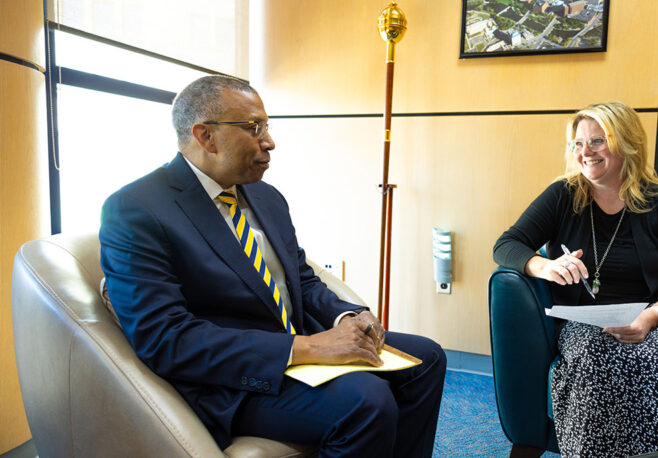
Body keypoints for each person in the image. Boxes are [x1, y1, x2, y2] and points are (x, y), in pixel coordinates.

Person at [99, 75, 446, 456]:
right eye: (253, 128)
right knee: (366, 401)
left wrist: (346, 317)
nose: (269, 141)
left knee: (426, 359)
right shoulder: (137, 208)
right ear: (205, 136)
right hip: (232, 379)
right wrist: (306, 348)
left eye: (266, 126)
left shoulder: (266, 196)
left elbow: (301, 279)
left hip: (298, 346)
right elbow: (166, 338)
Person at [493, 101, 658, 458]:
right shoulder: (563, 195)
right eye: (578, 143)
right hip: (589, 324)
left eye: (597, 141)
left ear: (626, 144)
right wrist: (544, 265)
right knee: (593, 359)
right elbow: (507, 245)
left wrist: (652, 317)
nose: (585, 152)